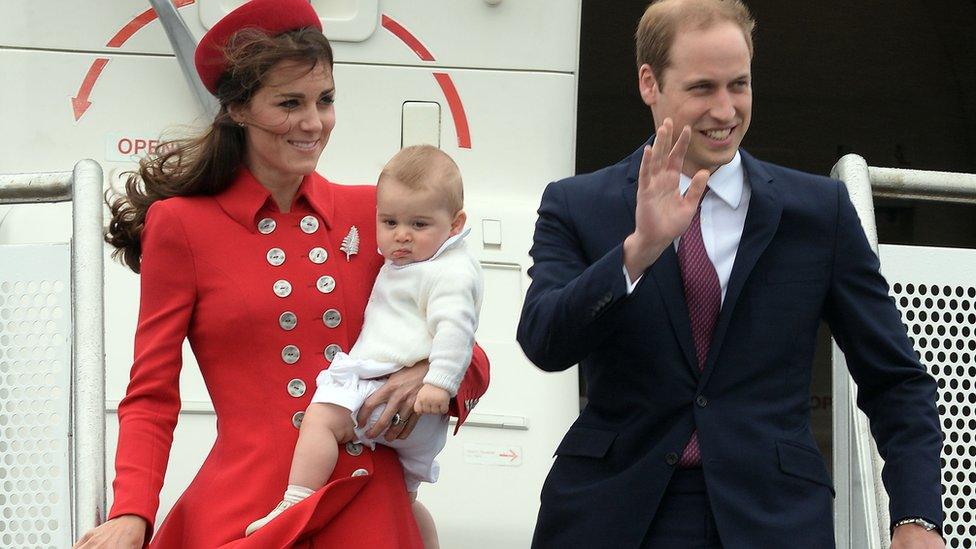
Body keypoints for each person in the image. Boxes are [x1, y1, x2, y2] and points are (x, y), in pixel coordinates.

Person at [517, 0, 944, 547]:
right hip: (612, 514)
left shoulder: (820, 212)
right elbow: (543, 341)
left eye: (738, 85)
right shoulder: (578, 204)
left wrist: (917, 517)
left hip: (771, 518)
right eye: (702, 88)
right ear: (649, 83)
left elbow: (896, 379)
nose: (725, 110)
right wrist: (638, 251)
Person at [73, 1, 489, 548]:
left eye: (326, 100)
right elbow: (152, 394)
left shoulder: (375, 213)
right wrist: (132, 512)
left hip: (366, 501)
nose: (313, 123)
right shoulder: (180, 225)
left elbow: (464, 335)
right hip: (249, 506)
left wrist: (427, 374)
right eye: (289, 103)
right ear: (239, 109)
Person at [245, 145, 483, 543]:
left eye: (419, 225)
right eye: (389, 222)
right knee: (404, 502)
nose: (401, 235)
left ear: (456, 224)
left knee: (321, 418)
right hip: (421, 419)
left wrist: (438, 381)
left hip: (386, 393)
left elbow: (459, 329)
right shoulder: (423, 256)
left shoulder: (448, 272)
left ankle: (294, 500)